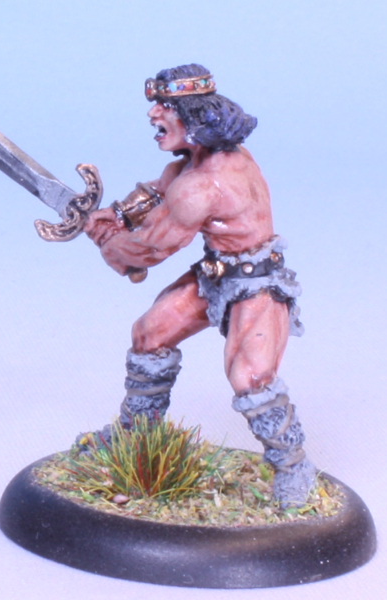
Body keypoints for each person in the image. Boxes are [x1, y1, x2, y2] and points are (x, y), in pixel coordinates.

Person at [83, 64, 314, 507]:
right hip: (215, 273)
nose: (153, 113)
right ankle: (135, 435)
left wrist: (111, 244)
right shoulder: (195, 163)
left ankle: (293, 465)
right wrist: (116, 215)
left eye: (165, 106)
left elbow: (151, 248)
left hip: (256, 284)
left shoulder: (205, 185)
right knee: (149, 333)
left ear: (193, 116)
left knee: (250, 378)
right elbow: (160, 189)